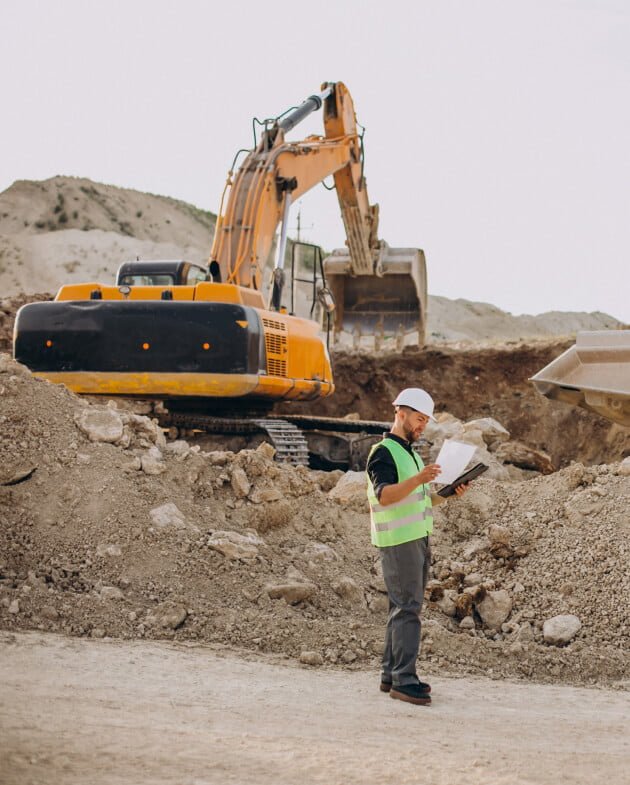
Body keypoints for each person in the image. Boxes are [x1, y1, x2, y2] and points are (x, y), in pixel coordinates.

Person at [366, 387, 469, 706]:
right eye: (419, 419)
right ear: (401, 414)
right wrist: (420, 479)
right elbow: (385, 495)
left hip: (415, 537)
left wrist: (447, 494)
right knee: (408, 606)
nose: (423, 425)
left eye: (426, 420)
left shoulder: (409, 452)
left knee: (402, 606)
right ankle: (404, 679)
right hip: (399, 541)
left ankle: (390, 674)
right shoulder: (383, 452)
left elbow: (417, 498)